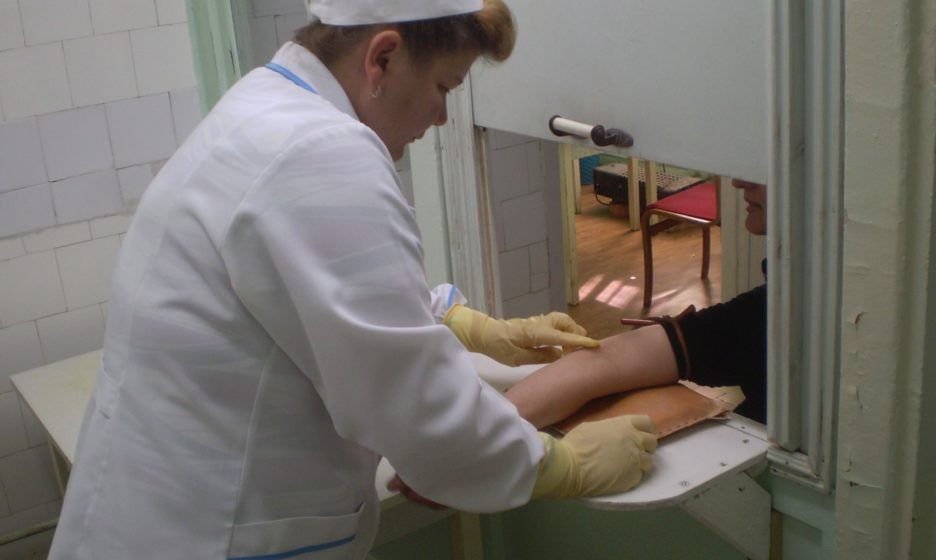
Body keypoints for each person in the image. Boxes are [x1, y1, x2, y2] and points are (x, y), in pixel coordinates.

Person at [47, 2, 657, 559]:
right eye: (443, 87)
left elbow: (308, 286)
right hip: (218, 534)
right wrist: (558, 465)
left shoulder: (266, 104)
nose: (443, 116)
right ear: (382, 58)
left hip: (153, 513)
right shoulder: (320, 152)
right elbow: (421, 411)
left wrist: (465, 324)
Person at [504, 179, 768, 428]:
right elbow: (601, 364)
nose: (739, 182)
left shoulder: (772, 314)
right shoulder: (766, 311)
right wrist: (492, 431)